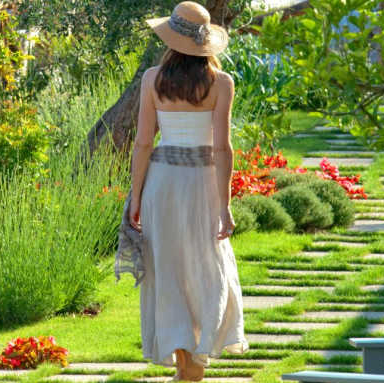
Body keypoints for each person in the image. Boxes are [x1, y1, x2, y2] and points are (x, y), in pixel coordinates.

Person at [115, 1, 249, 381]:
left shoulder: (153, 79)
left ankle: (185, 363)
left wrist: (137, 196)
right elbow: (223, 149)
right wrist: (225, 206)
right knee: (208, 266)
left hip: (163, 185)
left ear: (171, 39)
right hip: (202, 185)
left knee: (168, 269)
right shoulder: (221, 82)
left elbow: (142, 143)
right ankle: (194, 361)